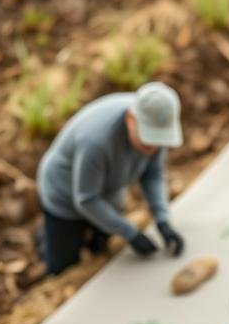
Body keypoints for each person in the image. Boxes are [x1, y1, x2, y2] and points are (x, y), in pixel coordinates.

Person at [35, 82, 186, 275]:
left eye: (159, 140)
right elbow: (86, 199)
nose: (154, 148)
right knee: (64, 260)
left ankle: (93, 243)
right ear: (131, 119)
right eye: (149, 140)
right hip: (65, 197)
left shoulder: (154, 123)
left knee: (101, 240)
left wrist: (163, 220)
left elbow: (153, 174)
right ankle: (46, 243)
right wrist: (130, 233)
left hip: (108, 189)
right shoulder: (95, 142)